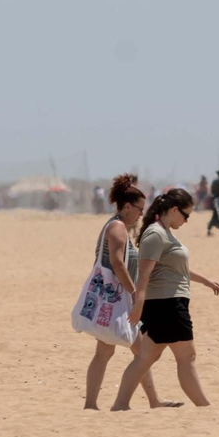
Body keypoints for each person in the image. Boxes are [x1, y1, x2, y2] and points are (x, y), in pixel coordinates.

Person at [111, 189, 219, 410]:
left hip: (165, 303)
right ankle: (204, 407)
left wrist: (205, 281)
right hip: (167, 304)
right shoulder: (155, 234)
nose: (187, 220)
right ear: (173, 210)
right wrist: (138, 305)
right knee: (186, 357)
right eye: (186, 215)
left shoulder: (163, 232)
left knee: (146, 358)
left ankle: (120, 405)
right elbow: (144, 274)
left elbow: (177, 269)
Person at [83, 175, 178, 410]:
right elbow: (117, 264)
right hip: (117, 299)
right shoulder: (117, 227)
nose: (141, 214)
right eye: (139, 209)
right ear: (127, 207)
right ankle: (113, 403)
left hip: (115, 299)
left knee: (109, 352)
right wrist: (135, 293)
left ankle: (94, 404)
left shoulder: (119, 226)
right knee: (140, 353)